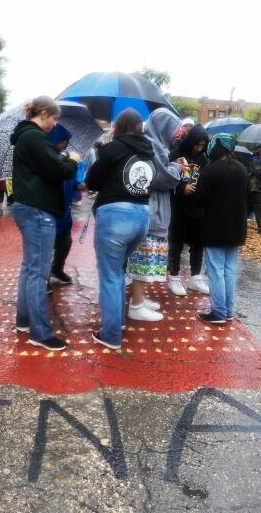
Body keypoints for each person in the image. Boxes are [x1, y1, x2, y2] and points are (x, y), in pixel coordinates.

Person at [10, 96, 80, 351]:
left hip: (30, 207)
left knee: (30, 268)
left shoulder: (27, 137)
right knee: (38, 272)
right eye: (53, 117)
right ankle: (40, 332)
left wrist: (61, 158)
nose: (54, 123)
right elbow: (58, 171)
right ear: (42, 113)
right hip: (38, 210)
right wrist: (72, 160)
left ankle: (25, 320)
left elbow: (47, 165)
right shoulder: (34, 137)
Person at [86, 108, 156, 349]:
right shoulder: (149, 152)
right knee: (117, 272)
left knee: (110, 276)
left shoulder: (113, 148)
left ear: (119, 128)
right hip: (142, 217)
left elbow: (92, 181)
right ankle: (117, 323)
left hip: (115, 216)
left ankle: (111, 334)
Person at [126, 108, 182, 321]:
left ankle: (139, 298)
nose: (174, 134)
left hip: (152, 208)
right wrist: (177, 168)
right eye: (172, 129)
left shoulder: (155, 144)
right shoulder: (152, 145)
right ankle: (137, 305)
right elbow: (162, 177)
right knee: (144, 257)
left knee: (147, 259)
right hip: (151, 210)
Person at [192, 133, 249, 323]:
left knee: (216, 270)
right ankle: (227, 310)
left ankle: (218, 311)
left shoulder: (211, 170)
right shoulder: (241, 169)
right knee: (229, 271)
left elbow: (199, 199)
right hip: (236, 228)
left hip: (215, 228)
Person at [167, 123, 210, 297]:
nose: (198, 149)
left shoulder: (203, 159)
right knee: (176, 243)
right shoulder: (176, 154)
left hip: (197, 207)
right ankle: (174, 276)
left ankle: (195, 276)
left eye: (202, 145)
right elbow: (165, 179)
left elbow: (206, 181)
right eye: (196, 144)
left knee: (198, 243)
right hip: (178, 207)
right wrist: (180, 188)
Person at [46, 125, 80, 284]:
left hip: (64, 214)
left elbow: (75, 183)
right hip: (48, 212)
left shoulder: (66, 159)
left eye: (66, 141)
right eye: (62, 141)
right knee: (45, 248)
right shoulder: (47, 160)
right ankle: (43, 279)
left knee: (65, 243)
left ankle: (57, 269)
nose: (65, 145)